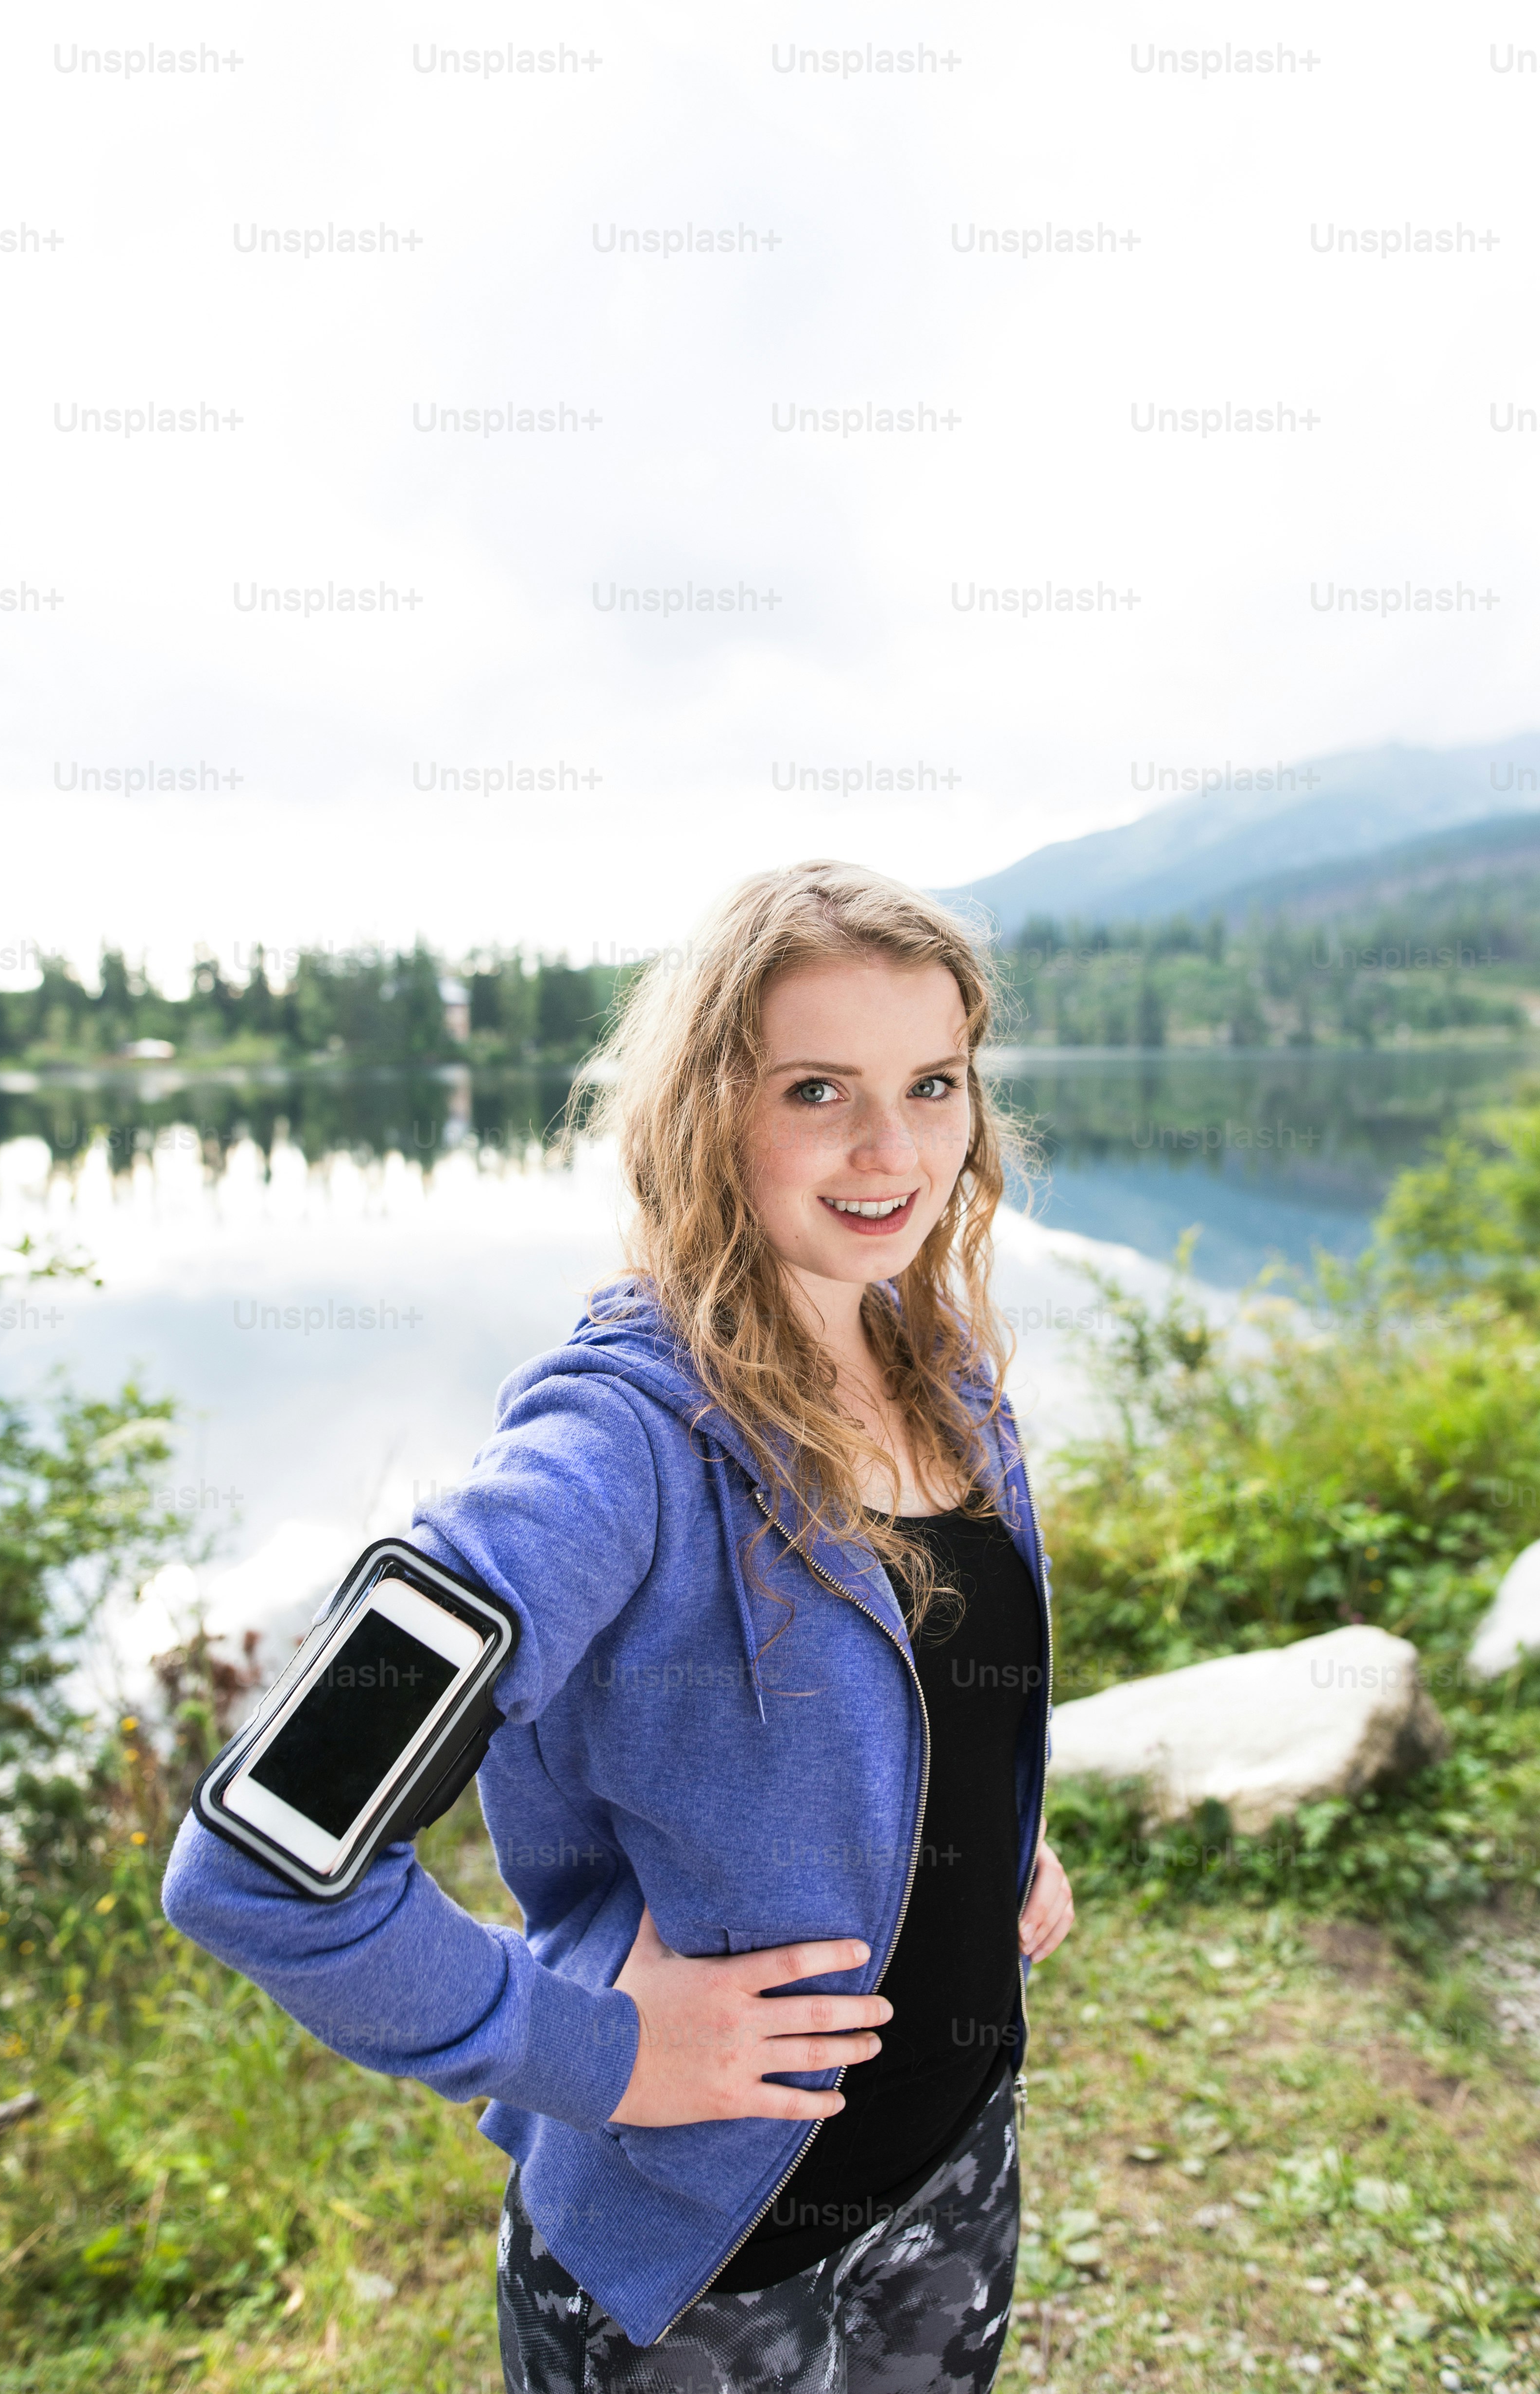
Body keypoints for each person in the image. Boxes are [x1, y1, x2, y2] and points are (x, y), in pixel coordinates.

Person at [162, 859, 1074, 2393]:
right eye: (817, 1091)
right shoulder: (606, 1455)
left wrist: (995, 1837)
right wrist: (603, 2052)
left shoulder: (951, 1380)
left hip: (955, 2175)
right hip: (697, 2276)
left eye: (933, 1084)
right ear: (710, 1113)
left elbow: (924, 1699)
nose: (893, 1150)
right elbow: (261, 1861)